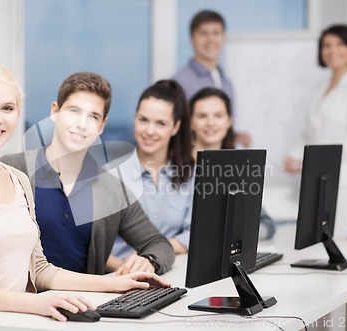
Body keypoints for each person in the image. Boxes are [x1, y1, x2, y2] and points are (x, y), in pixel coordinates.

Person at [0, 64, 169, 329]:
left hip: (33, 318)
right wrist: (42, 303)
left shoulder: (15, 179)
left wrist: (113, 283)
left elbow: (38, 268)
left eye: (7, 108)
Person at [0, 72, 175, 276]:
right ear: (55, 111)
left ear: (102, 126)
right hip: (20, 304)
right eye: (74, 111)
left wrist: (149, 261)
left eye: (93, 116)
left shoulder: (113, 190)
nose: (82, 124)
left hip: (84, 303)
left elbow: (159, 244)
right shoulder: (12, 168)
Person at [284, 24, 347, 238]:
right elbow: (310, 132)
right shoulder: (320, 88)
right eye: (326, 45)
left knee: (342, 240)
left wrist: (319, 160)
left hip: (345, 179)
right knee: (319, 240)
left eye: (340, 43)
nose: (332, 49)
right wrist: (294, 155)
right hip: (319, 178)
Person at [107, 80, 195, 273]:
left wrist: (154, 256)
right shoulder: (111, 176)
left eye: (161, 123)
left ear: (175, 127)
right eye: (143, 120)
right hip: (122, 276)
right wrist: (127, 268)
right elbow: (93, 246)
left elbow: (197, 233)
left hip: (175, 271)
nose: (149, 131)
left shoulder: (190, 174)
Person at [189, 87, 276, 240]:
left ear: (229, 121)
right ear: (191, 122)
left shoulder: (235, 169)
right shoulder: (175, 167)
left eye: (218, 116)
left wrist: (232, 236)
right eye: (202, 116)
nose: (210, 123)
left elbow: (267, 225)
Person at [173, 9, 251, 148]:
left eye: (216, 33)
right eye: (203, 33)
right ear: (192, 39)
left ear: (223, 37)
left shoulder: (227, 83)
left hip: (222, 162)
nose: (211, 40)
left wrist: (234, 135)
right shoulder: (180, 82)